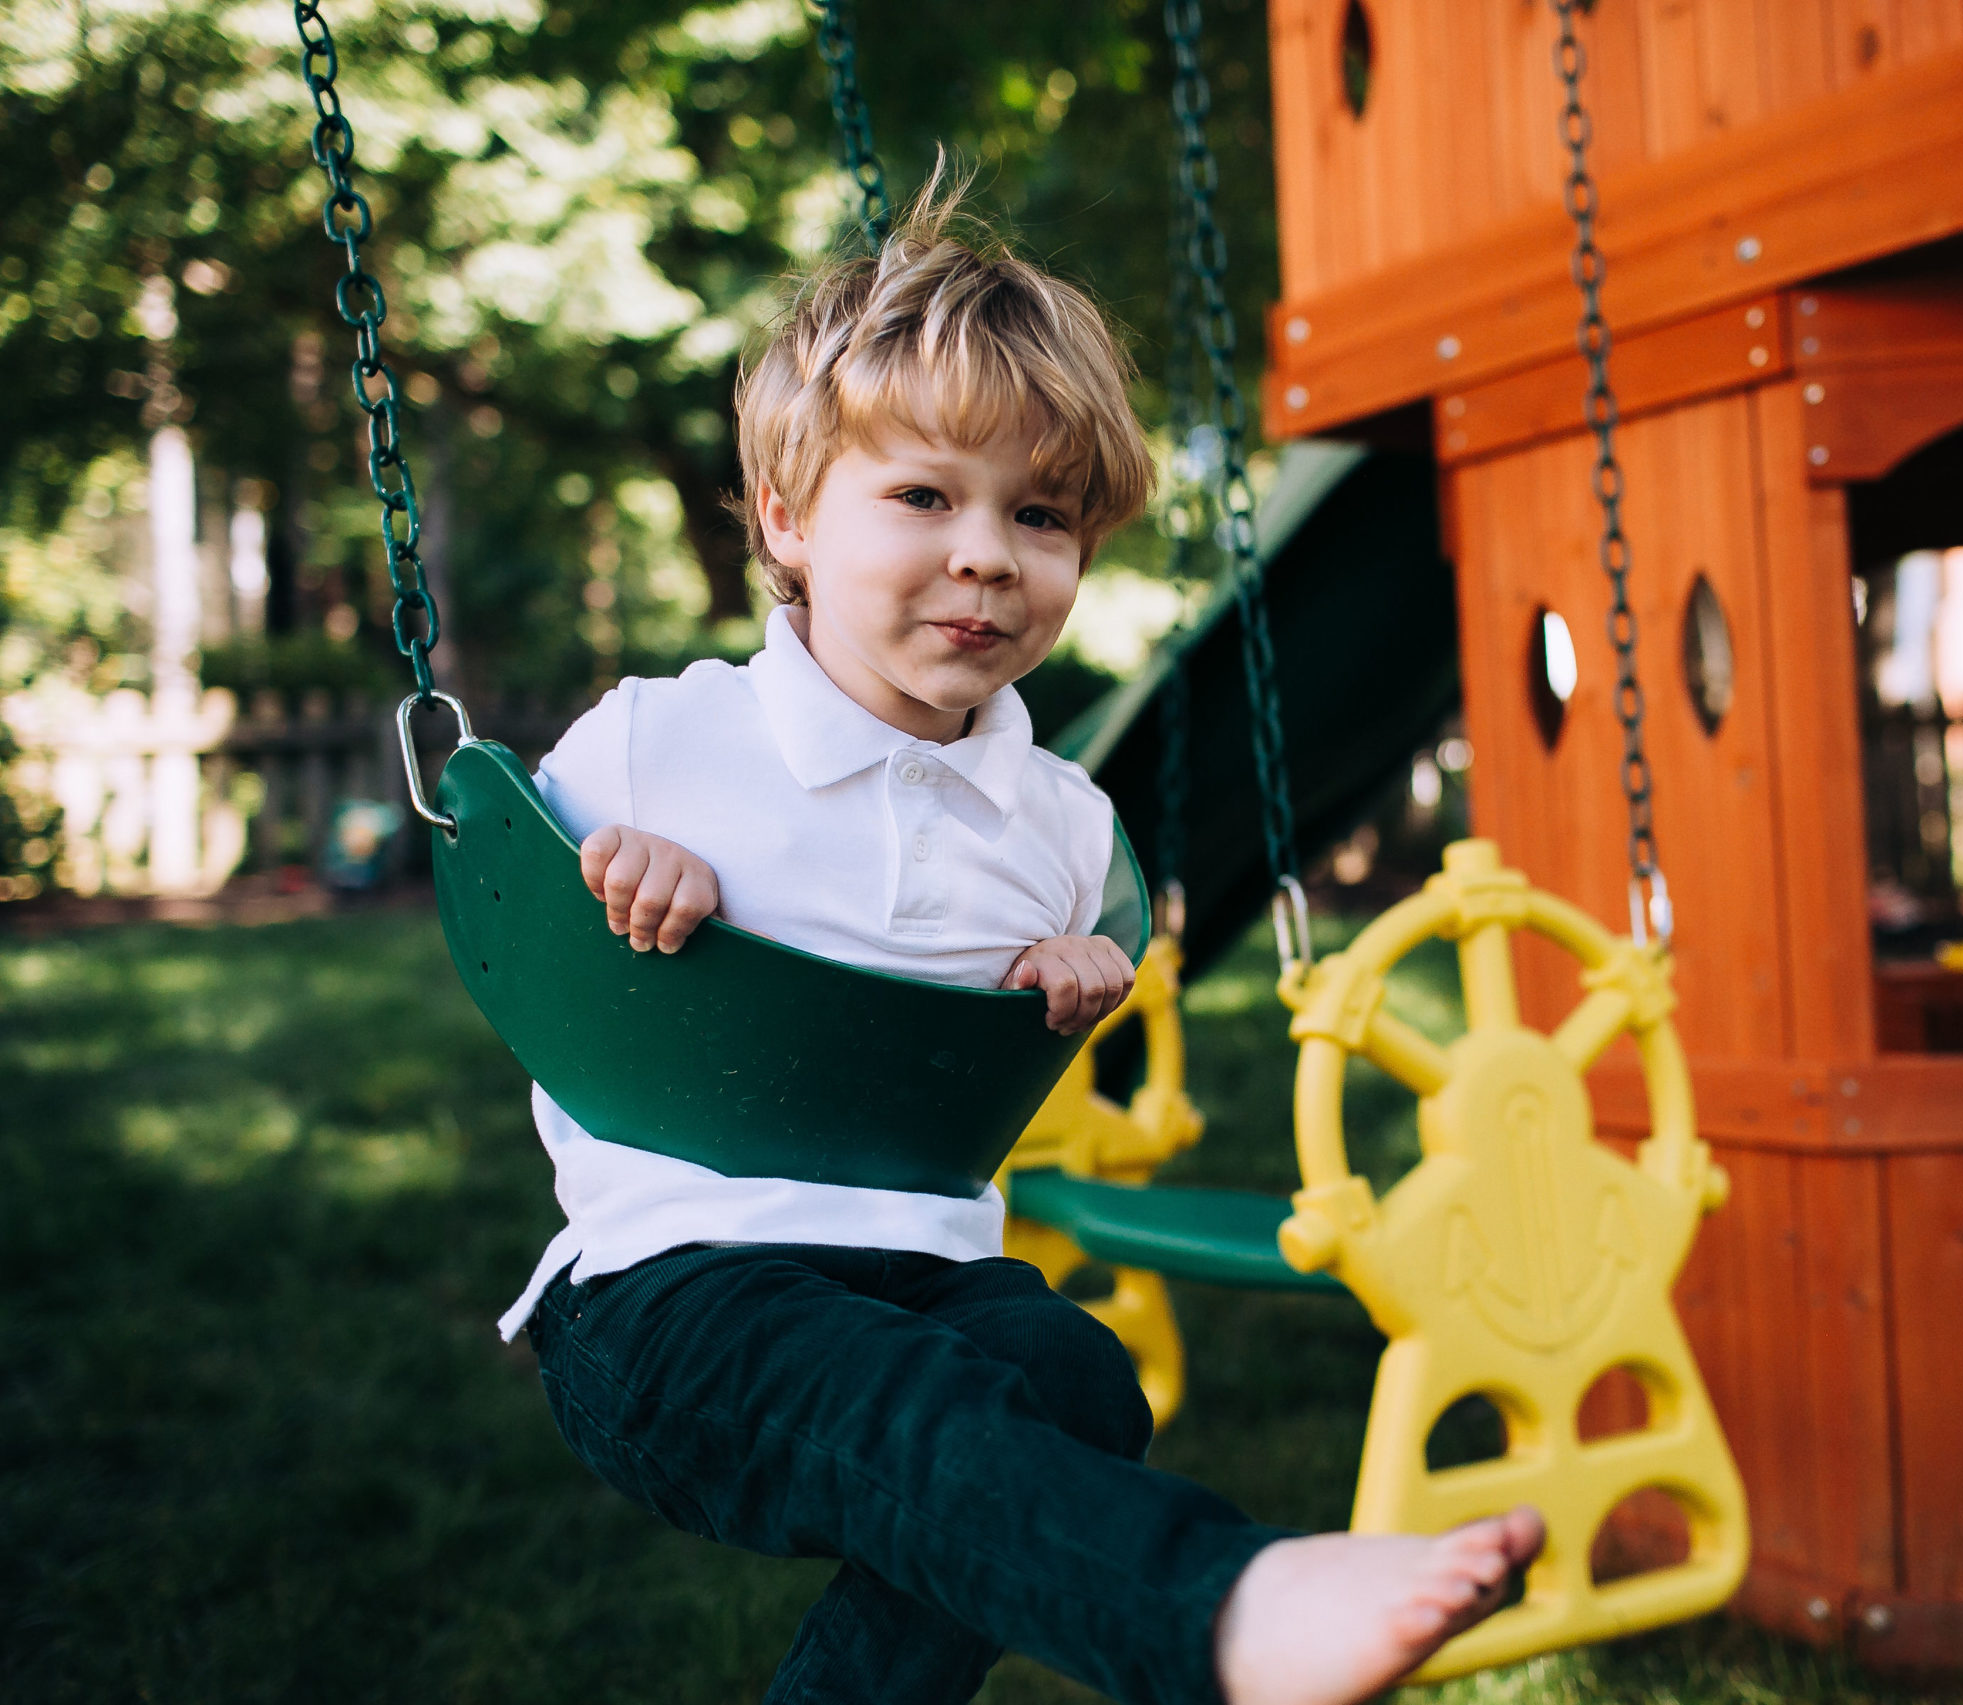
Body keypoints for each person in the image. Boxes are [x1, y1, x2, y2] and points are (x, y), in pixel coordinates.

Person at [496, 173, 1543, 1705]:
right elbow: (518, 923)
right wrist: (618, 867)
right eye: (924, 497)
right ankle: (1222, 1613)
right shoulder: (662, 741)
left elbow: (1046, 980)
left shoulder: (1058, 822)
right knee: (898, 1398)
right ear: (786, 517)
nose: (987, 553)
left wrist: (1076, 969)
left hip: (920, 1266)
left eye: (1039, 515)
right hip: (675, 1288)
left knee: (1074, 1383)